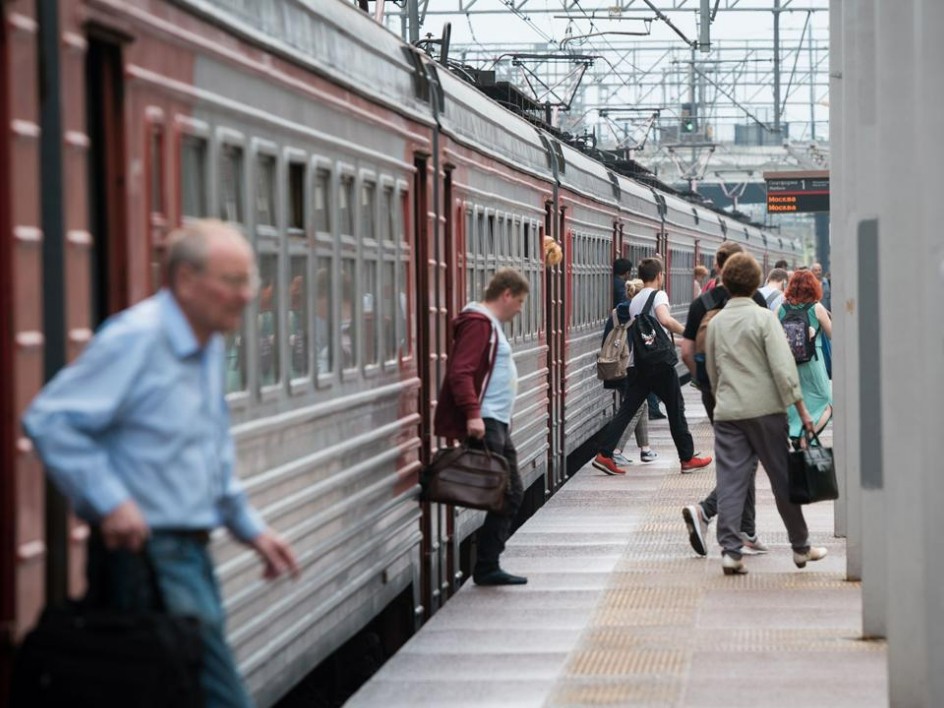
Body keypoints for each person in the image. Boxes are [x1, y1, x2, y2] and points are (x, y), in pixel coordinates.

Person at [22, 219, 300, 708]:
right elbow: (51, 420)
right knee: (213, 696)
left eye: (249, 280)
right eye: (233, 281)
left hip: (186, 553)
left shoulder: (206, 343)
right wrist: (111, 501)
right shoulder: (137, 338)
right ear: (186, 280)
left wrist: (250, 528)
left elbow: (208, 451)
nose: (247, 295)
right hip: (148, 556)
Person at [704, 252, 827, 575]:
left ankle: (730, 551)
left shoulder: (716, 323)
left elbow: (713, 371)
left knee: (731, 481)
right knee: (782, 479)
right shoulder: (764, 319)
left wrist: (721, 402)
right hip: (766, 411)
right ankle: (800, 547)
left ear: (726, 283)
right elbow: (783, 368)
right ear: (755, 282)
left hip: (729, 412)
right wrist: (802, 409)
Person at [434, 268, 530, 586]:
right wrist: (473, 414)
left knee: (509, 492)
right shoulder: (479, 324)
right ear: (506, 294)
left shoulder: (489, 324)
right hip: (486, 420)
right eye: (519, 301)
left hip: (495, 420)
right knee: (510, 492)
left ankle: (488, 564)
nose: (520, 309)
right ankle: (487, 566)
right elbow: (460, 371)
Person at [679, 242, 771, 557]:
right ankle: (706, 511)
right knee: (746, 459)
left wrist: (707, 383)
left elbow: (687, 352)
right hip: (749, 392)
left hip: (714, 393)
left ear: (718, 267)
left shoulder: (702, 303)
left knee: (738, 456)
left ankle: (747, 531)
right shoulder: (756, 300)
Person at [592, 258, 712, 476]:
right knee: (676, 408)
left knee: (628, 409)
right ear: (659, 275)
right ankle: (687, 458)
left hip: (639, 363)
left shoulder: (635, 299)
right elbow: (665, 321)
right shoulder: (659, 295)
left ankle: (605, 454)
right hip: (659, 364)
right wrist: (690, 333)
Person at [778, 269, 833, 443]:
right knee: (827, 403)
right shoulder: (816, 308)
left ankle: (796, 434)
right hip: (813, 363)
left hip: (790, 363)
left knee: (796, 401)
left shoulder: (781, 308)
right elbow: (832, 334)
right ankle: (806, 439)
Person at [611, 279, 658, 466]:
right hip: (629, 365)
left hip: (617, 363)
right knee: (637, 406)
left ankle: (645, 449)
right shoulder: (638, 314)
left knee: (642, 404)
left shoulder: (619, 312)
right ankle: (616, 450)